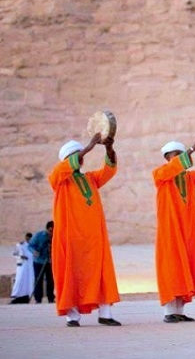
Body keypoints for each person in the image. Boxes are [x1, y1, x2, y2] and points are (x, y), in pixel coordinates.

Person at [48, 134, 121, 327]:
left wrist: (109, 148)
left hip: (94, 237)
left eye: (80, 154)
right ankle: (72, 316)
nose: (80, 158)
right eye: (75, 155)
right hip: (70, 236)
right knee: (70, 273)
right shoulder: (58, 179)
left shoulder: (90, 178)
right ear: (68, 160)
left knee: (102, 273)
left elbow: (109, 170)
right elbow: (63, 169)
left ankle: (105, 314)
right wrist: (89, 146)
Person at [153, 135, 195, 323]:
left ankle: (179, 312)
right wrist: (193, 148)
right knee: (172, 266)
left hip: (188, 229)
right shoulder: (160, 174)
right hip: (170, 230)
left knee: (187, 266)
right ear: (168, 157)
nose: (182, 157)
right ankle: (169, 312)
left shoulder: (189, 177)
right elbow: (171, 170)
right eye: (177, 154)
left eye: (182, 154)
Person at [28, 221, 54, 304]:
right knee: (38, 280)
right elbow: (30, 245)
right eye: (50, 231)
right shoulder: (39, 235)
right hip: (38, 261)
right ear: (47, 229)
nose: (51, 233)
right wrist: (34, 251)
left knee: (50, 280)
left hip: (50, 261)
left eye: (53, 231)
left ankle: (51, 298)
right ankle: (38, 299)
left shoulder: (56, 236)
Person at [10, 233, 35, 304]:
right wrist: (21, 257)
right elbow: (14, 254)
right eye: (27, 238)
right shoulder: (20, 245)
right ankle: (15, 294)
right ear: (25, 238)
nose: (28, 240)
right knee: (19, 279)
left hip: (30, 266)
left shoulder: (33, 246)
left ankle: (28, 294)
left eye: (30, 238)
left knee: (29, 280)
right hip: (22, 265)